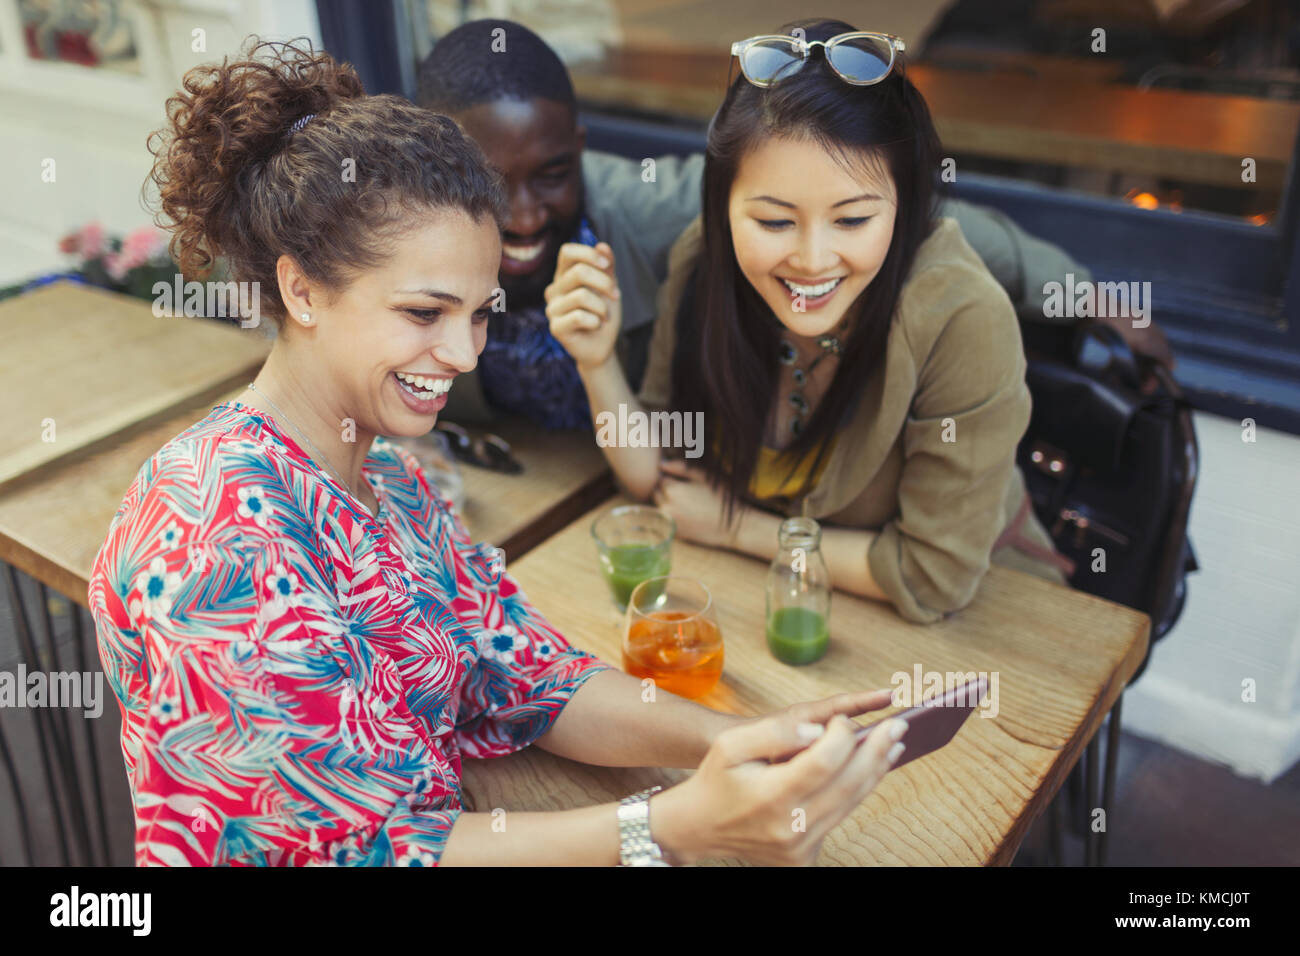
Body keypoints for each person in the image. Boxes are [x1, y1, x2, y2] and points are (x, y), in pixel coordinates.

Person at [88, 39, 910, 867]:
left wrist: (737, 740)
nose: (465, 352)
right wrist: (668, 829)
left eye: (480, 313)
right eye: (423, 313)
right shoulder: (215, 540)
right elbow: (361, 853)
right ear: (302, 291)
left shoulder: (388, 483)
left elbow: (528, 672)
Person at [548, 18, 1077, 625]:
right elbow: (662, 481)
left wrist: (737, 527)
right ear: (722, 206)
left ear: (903, 209)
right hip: (787, 613)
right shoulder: (704, 260)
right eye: (774, 222)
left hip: (985, 626)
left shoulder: (960, 318)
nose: (812, 259)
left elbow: (932, 578)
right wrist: (595, 360)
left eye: (852, 221)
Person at [415, 18, 1145, 428]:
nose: (522, 215)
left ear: (579, 150)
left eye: (549, 175)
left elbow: (916, 215)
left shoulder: (653, 211)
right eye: (484, 182)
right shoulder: (404, 237)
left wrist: (1086, 296)